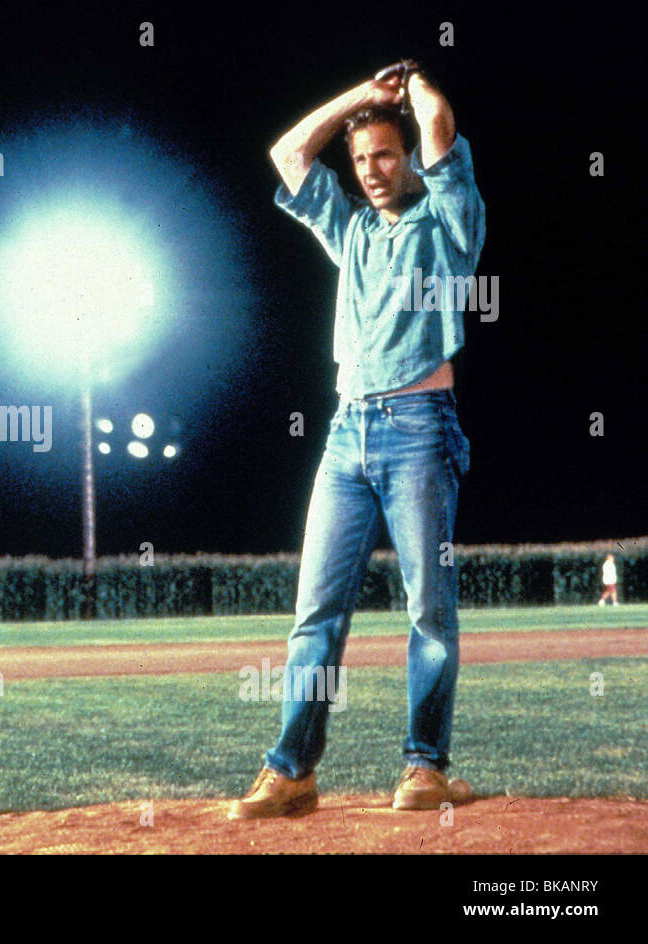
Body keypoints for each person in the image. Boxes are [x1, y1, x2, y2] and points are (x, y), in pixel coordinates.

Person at [230, 62, 484, 819]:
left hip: (420, 432)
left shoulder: (449, 222)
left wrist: (414, 92)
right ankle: (292, 772)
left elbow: (439, 129)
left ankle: (425, 768)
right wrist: (361, 100)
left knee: (427, 610)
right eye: (362, 159)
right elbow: (287, 155)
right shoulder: (353, 229)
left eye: (385, 154)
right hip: (346, 434)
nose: (372, 172)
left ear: (410, 158)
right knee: (315, 612)